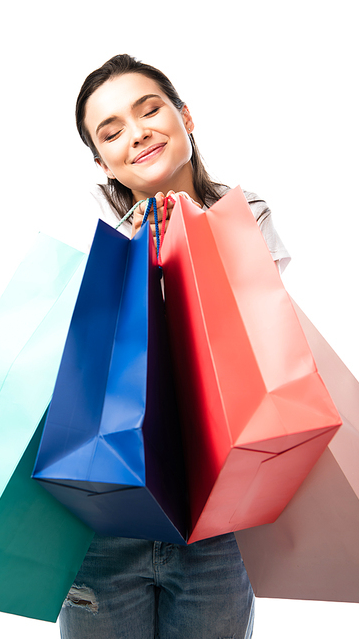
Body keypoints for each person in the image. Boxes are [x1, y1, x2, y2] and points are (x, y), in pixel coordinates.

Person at [59, 54, 290, 639]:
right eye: (110, 132)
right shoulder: (84, 228)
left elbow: (255, 354)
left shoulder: (249, 214)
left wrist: (194, 229)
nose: (136, 135)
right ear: (100, 160)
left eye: (149, 110)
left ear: (185, 115)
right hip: (105, 521)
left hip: (210, 520)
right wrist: (137, 231)